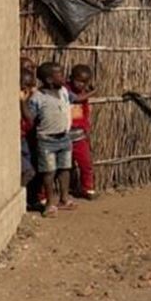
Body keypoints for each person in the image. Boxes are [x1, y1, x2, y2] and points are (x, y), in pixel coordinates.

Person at [29, 62, 75, 216]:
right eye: (60, 74)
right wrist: (22, 103)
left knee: (65, 169)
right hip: (46, 140)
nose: (64, 76)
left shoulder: (63, 91)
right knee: (48, 172)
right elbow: (30, 118)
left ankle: (64, 198)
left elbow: (74, 100)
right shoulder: (38, 97)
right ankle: (49, 204)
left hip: (64, 138)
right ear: (49, 80)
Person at [67, 64, 97, 199]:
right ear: (70, 78)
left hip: (79, 136)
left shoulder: (83, 94)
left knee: (86, 163)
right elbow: (76, 99)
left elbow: (85, 115)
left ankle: (87, 188)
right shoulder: (65, 91)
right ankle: (43, 195)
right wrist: (93, 91)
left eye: (85, 82)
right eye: (78, 81)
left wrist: (86, 131)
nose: (81, 85)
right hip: (63, 136)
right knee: (57, 167)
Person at [19, 69, 36, 189]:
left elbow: (30, 120)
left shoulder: (31, 101)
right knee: (28, 171)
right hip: (18, 140)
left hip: (24, 139)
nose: (32, 90)